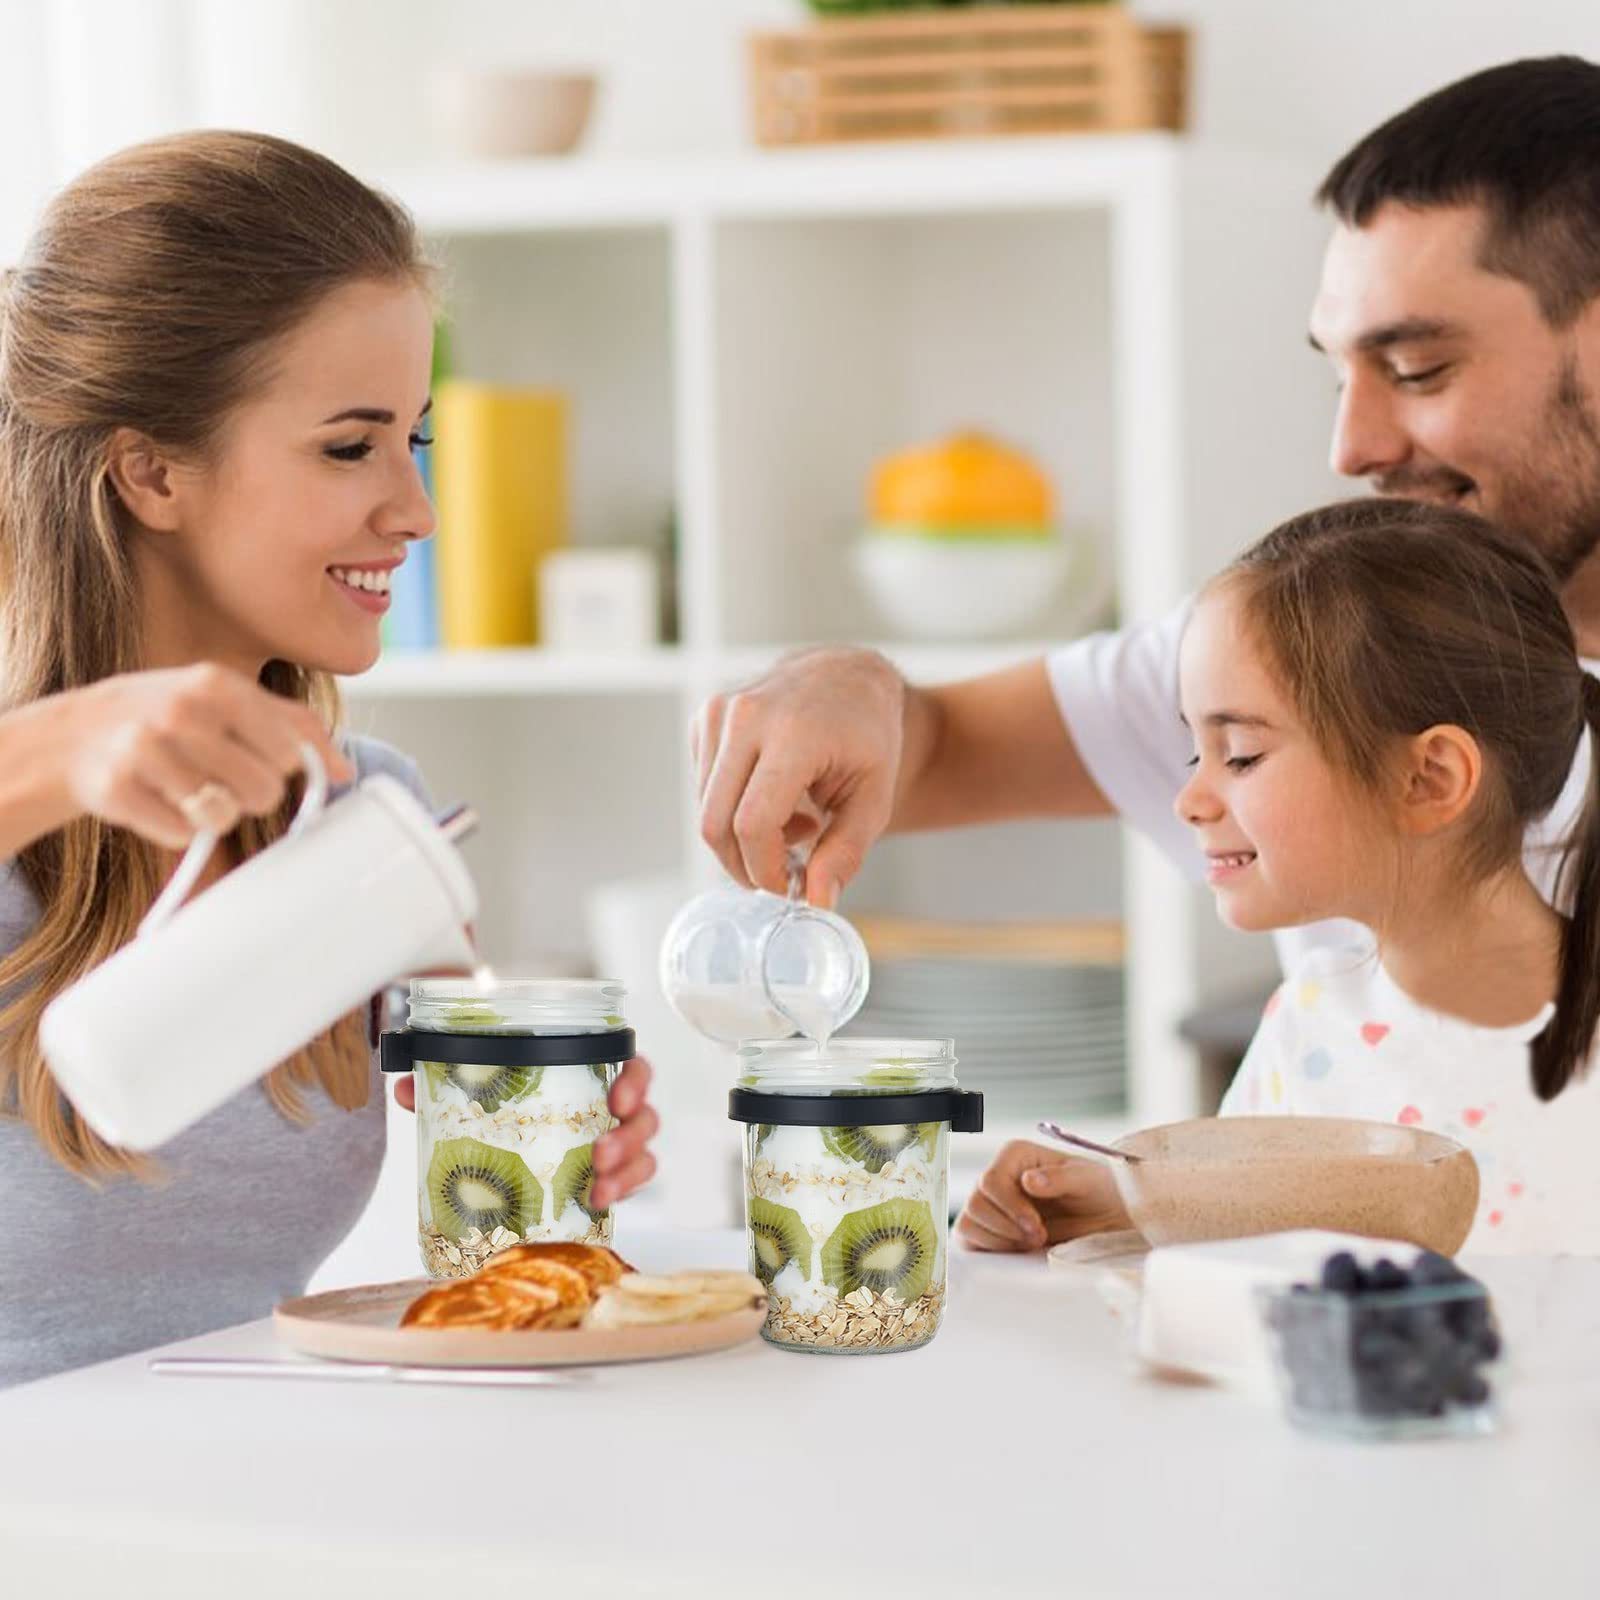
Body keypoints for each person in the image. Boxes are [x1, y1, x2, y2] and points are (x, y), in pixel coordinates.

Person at [688, 56, 1600, 1246]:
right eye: (1337, 373)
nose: (1352, 443)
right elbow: (939, 748)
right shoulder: (1317, 653)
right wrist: (849, 682)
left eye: (1418, 368)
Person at [0, 131, 658, 1388]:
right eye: (350, 447)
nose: (414, 510)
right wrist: (52, 755)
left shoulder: (362, 817)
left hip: (255, 1497)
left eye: (413, 442)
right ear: (151, 471)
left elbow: (492, 1113)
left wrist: (557, 1105)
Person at [974, 498, 1600, 1254]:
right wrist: (1119, 1203)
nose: (1190, 800)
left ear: (1428, 778)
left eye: (1239, 754)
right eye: (1192, 753)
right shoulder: (1309, 1031)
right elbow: (1257, 1252)